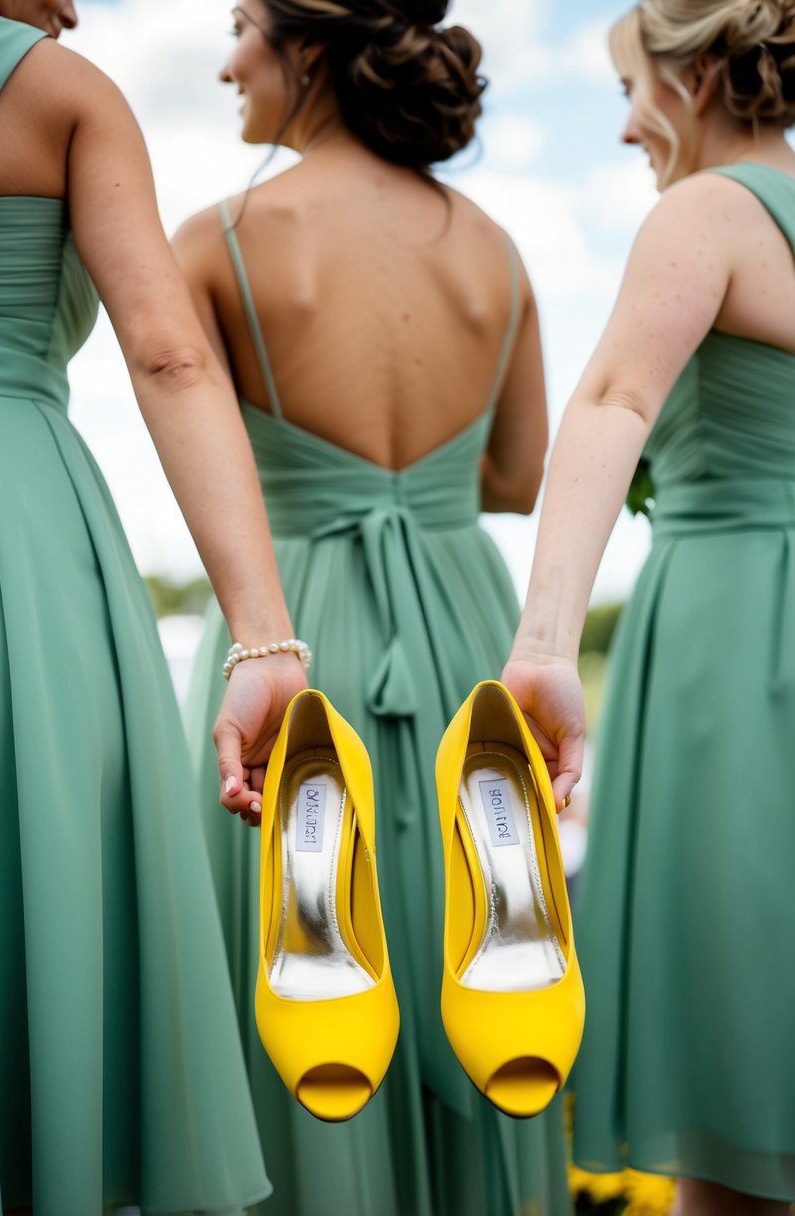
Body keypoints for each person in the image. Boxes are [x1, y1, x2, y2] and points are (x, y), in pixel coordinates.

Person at [176, 2, 570, 1213]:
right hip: (466, 634)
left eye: (242, 23)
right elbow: (514, 475)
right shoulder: (496, 249)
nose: (226, 55)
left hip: (290, 629)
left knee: (306, 971)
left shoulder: (218, 240)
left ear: (307, 47)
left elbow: (195, 445)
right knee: (498, 959)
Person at [0, 1, 309, 1212]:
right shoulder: (61, 91)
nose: (69, 9)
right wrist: (262, 633)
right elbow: (166, 354)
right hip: (10, 540)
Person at [500, 1, 795, 1213]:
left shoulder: (707, 212)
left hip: (730, 653)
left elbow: (617, 395)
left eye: (636, 87)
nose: (625, 125)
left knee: (729, 1119)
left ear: (708, 72)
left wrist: (542, 644)